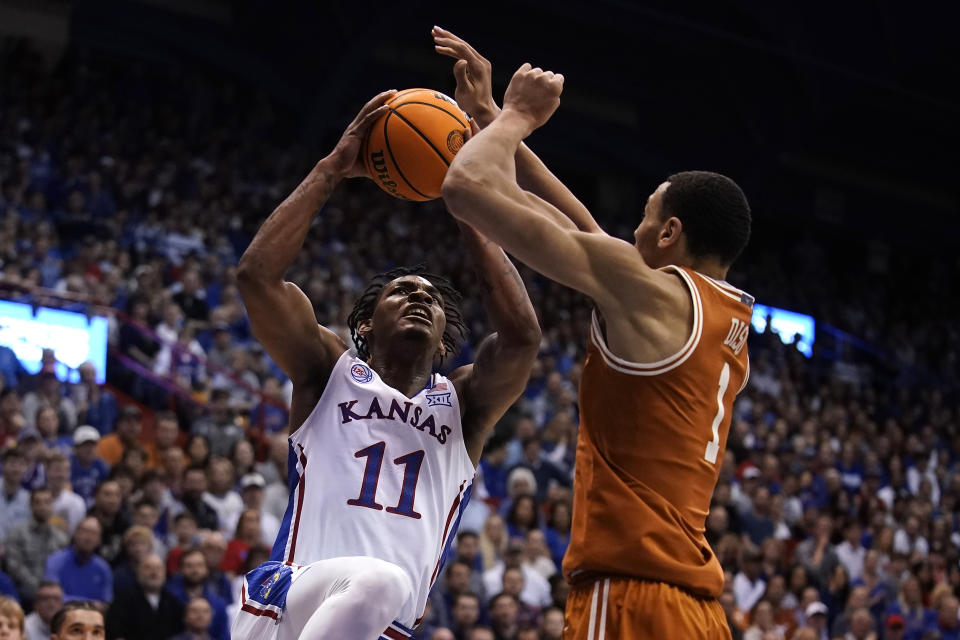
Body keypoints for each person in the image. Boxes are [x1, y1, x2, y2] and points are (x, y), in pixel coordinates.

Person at [436, 27, 752, 639]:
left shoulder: (650, 291)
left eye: (645, 217)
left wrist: (517, 119)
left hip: (632, 595)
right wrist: (488, 114)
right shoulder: (724, 314)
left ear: (670, 235)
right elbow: (582, 230)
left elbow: (466, 188)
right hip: (695, 611)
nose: (629, 231)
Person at [231, 89, 539, 640]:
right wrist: (332, 168)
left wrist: (466, 206)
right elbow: (256, 278)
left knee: (383, 590)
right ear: (366, 325)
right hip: (288, 600)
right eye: (401, 292)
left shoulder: (464, 406)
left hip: (382, 629)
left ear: (446, 344)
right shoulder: (328, 370)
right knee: (381, 582)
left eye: (433, 299)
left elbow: (521, 336)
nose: (420, 297)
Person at [4, 488, 69, 604]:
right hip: (24, 596)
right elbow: (14, 566)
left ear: (52, 505)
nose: (42, 507)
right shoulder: (17, 532)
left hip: (54, 597)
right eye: (38, 502)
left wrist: (50, 591)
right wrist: (39, 590)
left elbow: (64, 569)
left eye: (47, 502)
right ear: (31, 505)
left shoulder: (61, 538)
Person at [105, 554, 184, 640]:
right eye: (148, 568)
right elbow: (115, 632)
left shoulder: (173, 602)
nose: (154, 573)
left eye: (158, 568)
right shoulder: (123, 600)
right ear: (138, 572)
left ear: (165, 573)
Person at [43, 517, 112, 606]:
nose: (88, 538)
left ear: (99, 540)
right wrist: (88, 604)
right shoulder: (55, 561)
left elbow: (105, 603)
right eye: (85, 531)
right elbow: (51, 597)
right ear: (75, 534)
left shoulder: (103, 568)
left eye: (94, 533)